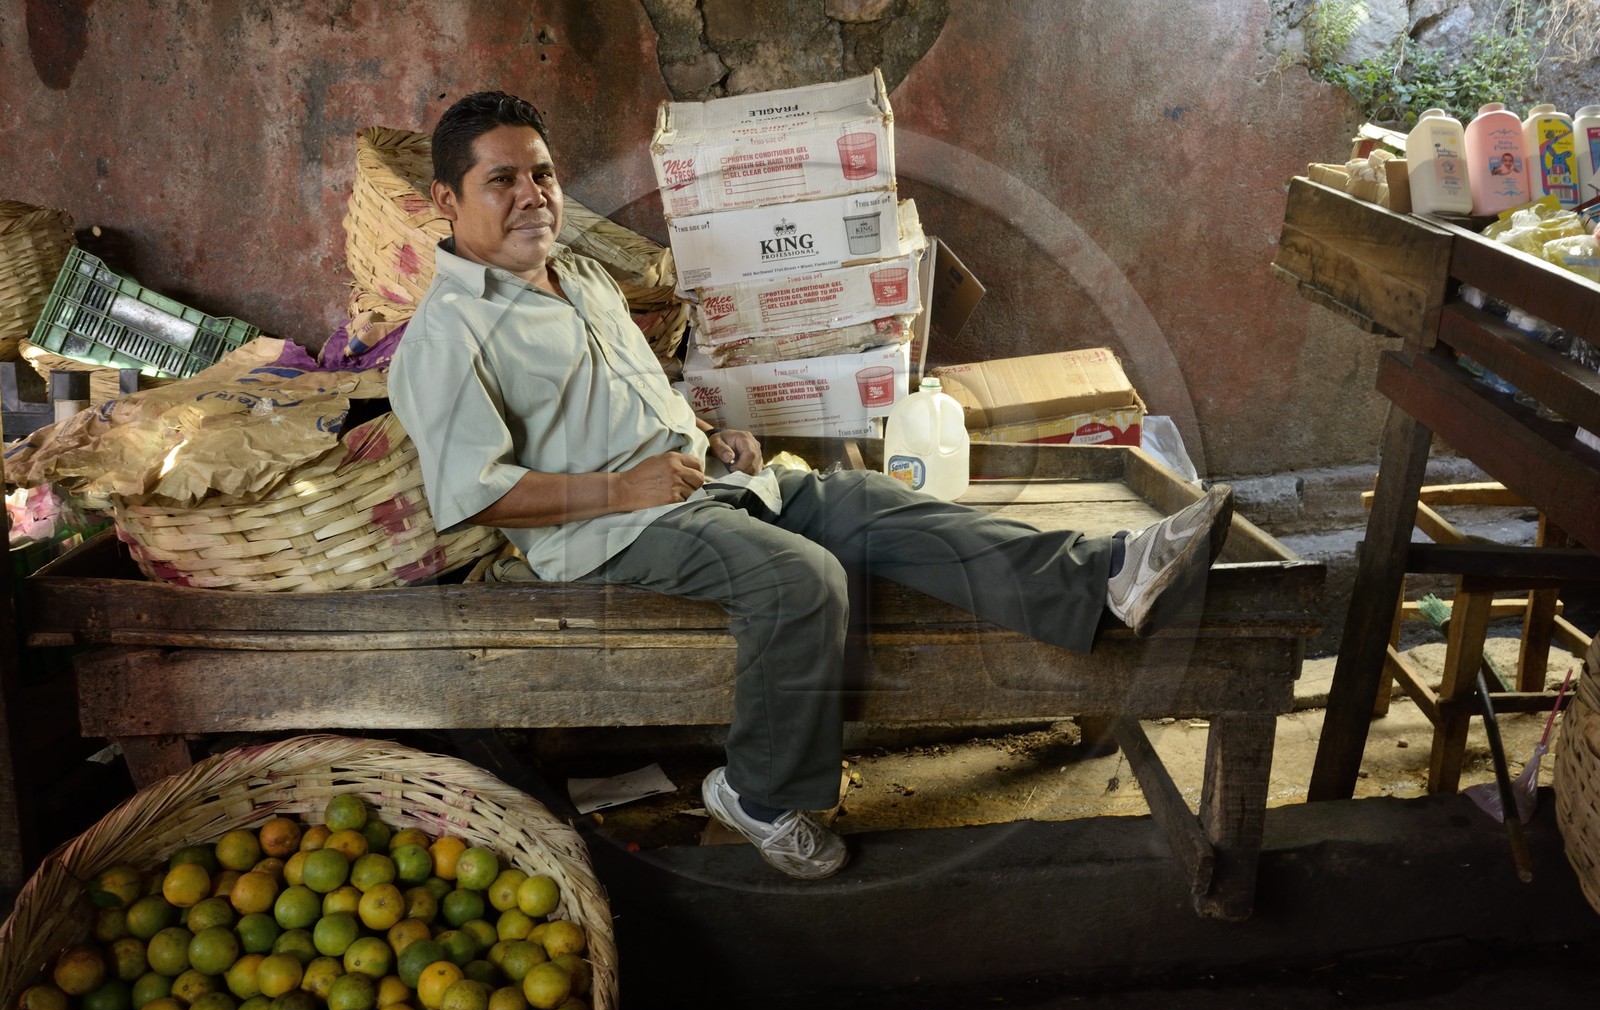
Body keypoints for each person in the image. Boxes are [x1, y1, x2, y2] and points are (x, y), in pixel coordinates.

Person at [389, 91, 1234, 882]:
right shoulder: (446, 334)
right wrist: (624, 489)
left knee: (869, 501)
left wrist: (709, 438)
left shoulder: (583, 278)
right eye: (502, 180)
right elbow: (477, 495)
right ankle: (755, 793)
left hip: (693, 487)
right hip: (605, 531)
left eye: (542, 173)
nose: (532, 195)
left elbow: (631, 399)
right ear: (446, 199)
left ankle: (1105, 575)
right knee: (800, 580)